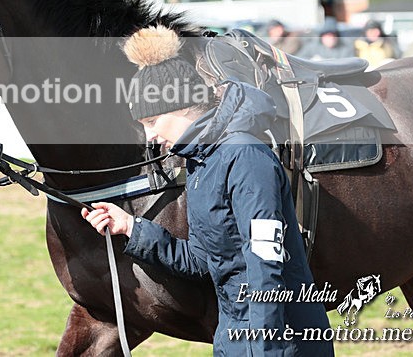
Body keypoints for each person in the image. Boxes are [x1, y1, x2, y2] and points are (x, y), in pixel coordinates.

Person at [81, 26, 333, 356]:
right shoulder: (201, 165)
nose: (150, 137)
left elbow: (267, 266)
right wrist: (130, 228)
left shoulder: (245, 157)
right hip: (235, 335)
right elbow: (203, 260)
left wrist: (264, 346)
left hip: (279, 340)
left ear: (182, 105)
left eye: (153, 121)